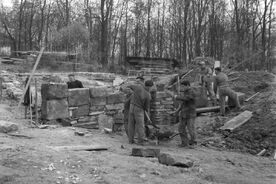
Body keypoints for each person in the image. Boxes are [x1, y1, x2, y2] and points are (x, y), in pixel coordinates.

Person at [171, 80, 197, 147]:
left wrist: (176, 97)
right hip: (183, 113)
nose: (182, 88)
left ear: (187, 85)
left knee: (190, 128)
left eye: (183, 86)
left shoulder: (192, 92)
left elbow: (186, 99)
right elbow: (182, 104)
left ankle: (194, 142)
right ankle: (184, 142)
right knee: (181, 128)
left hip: (190, 113)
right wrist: (176, 111)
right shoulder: (185, 92)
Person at [127, 80, 152, 145]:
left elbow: (129, 85)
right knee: (140, 125)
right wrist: (148, 117)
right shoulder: (148, 95)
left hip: (131, 106)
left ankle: (130, 140)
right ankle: (141, 141)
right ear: (149, 87)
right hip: (139, 109)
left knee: (131, 124)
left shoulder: (137, 87)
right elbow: (146, 108)